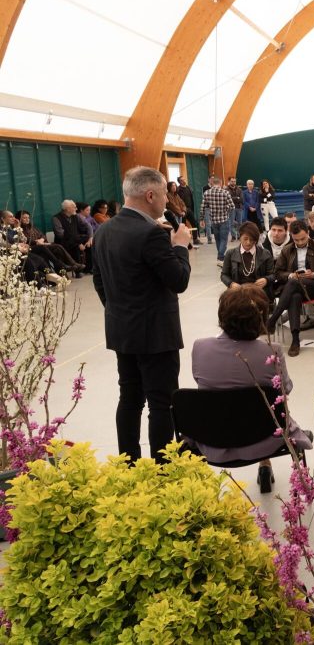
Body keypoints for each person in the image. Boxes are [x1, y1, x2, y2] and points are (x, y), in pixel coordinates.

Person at [92, 166, 192, 463]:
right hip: (156, 335)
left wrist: (120, 312)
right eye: (163, 194)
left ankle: (129, 464)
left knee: (130, 399)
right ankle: (162, 469)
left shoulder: (104, 230)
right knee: (162, 403)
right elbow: (179, 280)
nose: (166, 200)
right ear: (150, 195)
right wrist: (181, 247)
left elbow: (99, 280)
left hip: (122, 331)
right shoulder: (151, 234)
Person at [191, 286, 312, 492]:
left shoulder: (200, 347)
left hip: (214, 437)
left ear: (222, 315)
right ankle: (265, 463)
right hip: (262, 438)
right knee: (267, 407)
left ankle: (264, 466)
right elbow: (285, 389)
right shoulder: (271, 351)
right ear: (261, 319)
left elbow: (203, 385)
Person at [267, 220, 314, 357]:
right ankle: (295, 340)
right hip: (294, 287)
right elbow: (278, 272)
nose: (300, 242)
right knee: (294, 295)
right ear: (291, 237)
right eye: (296, 240)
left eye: (303, 239)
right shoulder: (287, 249)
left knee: (293, 284)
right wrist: (290, 275)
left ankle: (273, 319)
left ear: (308, 233)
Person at [13, 210, 84, 275]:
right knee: (56, 248)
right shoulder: (18, 229)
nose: (27, 219)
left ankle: (65, 270)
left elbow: (42, 235)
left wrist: (41, 239)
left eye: (28, 217)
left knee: (57, 249)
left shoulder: (32, 227)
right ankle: (67, 266)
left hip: (42, 245)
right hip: (33, 248)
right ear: (19, 219)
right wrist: (36, 242)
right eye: (24, 218)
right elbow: (25, 240)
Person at [221, 221, 275, 295]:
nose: (248, 242)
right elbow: (224, 275)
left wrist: (266, 280)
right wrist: (231, 284)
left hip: (259, 292)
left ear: (256, 240)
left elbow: (273, 274)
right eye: (245, 239)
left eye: (252, 239)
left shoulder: (265, 253)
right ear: (240, 237)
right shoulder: (230, 253)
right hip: (237, 292)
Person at [200, 176, 233, 264]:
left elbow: (203, 207)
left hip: (213, 220)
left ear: (212, 183)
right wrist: (225, 208)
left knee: (218, 240)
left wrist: (201, 219)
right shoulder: (225, 192)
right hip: (224, 220)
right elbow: (232, 206)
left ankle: (220, 257)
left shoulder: (206, 193)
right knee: (224, 240)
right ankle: (220, 257)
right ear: (220, 183)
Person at [52, 199, 89, 271]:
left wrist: (90, 238)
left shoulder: (75, 216)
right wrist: (78, 243)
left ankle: (88, 267)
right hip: (63, 242)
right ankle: (78, 270)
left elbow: (87, 226)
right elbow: (60, 234)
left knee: (89, 243)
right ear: (68, 209)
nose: (76, 209)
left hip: (74, 240)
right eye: (74, 207)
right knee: (75, 246)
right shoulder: (56, 218)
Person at [226, 176, 244, 240]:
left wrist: (234, 198)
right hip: (231, 208)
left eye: (234, 181)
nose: (233, 182)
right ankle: (233, 236)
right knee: (231, 223)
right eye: (232, 181)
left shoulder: (239, 189)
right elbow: (228, 199)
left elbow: (241, 199)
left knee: (240, 223)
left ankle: (239, 236)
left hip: (239, 207)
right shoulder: (226, 190)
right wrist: (237, 198)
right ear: (229, 181)